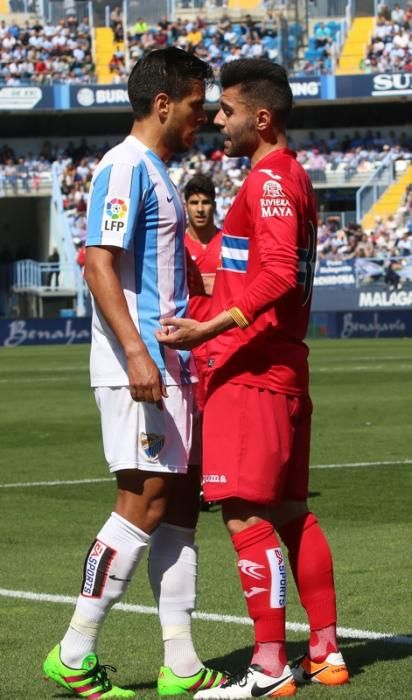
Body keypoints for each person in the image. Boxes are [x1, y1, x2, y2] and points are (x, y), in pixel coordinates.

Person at [156, 58, 349, 698]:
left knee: (243, 516)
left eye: (228, 111)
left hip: (252, 368)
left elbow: (277, 276)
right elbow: (258, 269)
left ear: (261, 119)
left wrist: (207, 330)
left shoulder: (269, 179)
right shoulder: (287, 178)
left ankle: (268, 666)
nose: (217, 119)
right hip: (284, 366)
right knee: (293, 514)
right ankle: (324, 651)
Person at [43, 47, 225, 700]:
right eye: (198, 107)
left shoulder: (156, 171)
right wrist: (138, 352)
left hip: (170, 367)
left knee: (178, 509)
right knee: (142, 504)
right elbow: (97, 263)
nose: (202, 120)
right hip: (139, 369)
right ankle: (75, 650)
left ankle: (181, 663)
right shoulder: (123, 168)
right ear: (163, 103)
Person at [183, 175, 222, 507]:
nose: (200, 209)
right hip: (189, 346)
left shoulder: (229, 244)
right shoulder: (178, 245)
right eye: (194, 202)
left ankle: (218, 482)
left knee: (221, 417)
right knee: (192, 417)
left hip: (223, 344)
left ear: (214, 204)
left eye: (205, 202)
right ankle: (194, 483)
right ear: (186, 206)